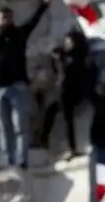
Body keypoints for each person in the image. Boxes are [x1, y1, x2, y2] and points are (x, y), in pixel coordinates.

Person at [0, 0, 50, 169]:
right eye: (1, 17)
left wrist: (44, 4)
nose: (4, 19)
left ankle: (22, 161)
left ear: (11, 19)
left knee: (20, 126)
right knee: (4, 129)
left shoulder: (20, 34)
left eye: (7, 16)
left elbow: (34, 21)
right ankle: (8, 161)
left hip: (17, 86)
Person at [41, 28, 95, 159]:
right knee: (60, 115)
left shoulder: (75, 55)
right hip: (65, 90)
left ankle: (50, 140)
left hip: (71, 89)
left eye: (69, 41)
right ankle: (63, 145)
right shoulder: (65, 54)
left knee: (62, 116)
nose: (67, 43)